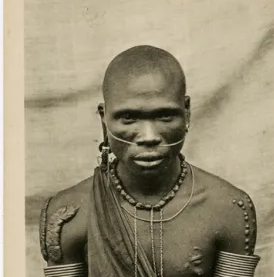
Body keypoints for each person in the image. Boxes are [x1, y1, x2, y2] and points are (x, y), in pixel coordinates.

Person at [39, 45, 260, 277]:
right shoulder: (68, 215)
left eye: (164, 116)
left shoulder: (229, 208)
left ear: (187, 112)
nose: (149, 136)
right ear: (104, 119)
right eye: (128, 117)